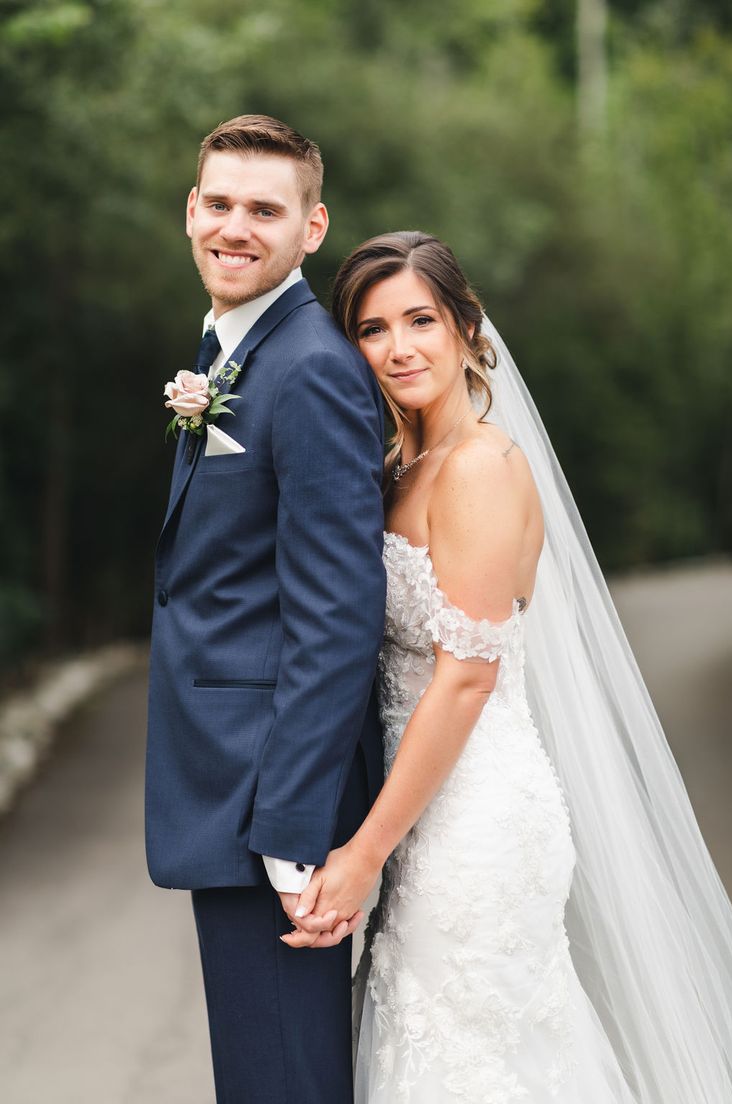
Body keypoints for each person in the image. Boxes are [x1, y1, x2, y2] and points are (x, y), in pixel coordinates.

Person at [287, 232, 732, 1102]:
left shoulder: (483, 469)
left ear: (466, 328)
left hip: (477, 826)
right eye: (373, 330)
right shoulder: (398, 468)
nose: (399, 347)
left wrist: (364, 853)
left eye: (421, 319)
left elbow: (465, 678)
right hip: (417, 813)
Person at [145, 115, 385, 1103]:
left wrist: (290, 835)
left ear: (312, 226)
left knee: (282, 1082)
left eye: (264, 210)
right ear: (190, 210)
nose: (234, 227)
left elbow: (338, 618)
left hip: (269, 815)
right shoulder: (232, 349)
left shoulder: (313, 369)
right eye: (219, 203)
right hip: (229, 790)